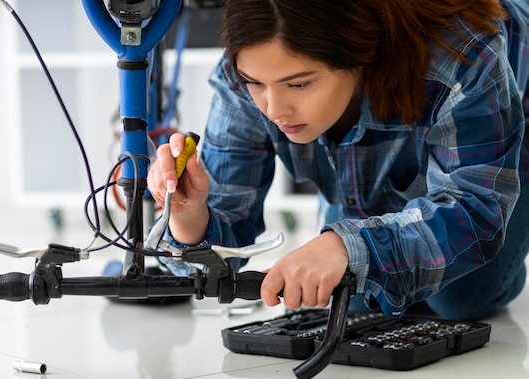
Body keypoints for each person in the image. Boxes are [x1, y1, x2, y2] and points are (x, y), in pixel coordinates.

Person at [147, 0, 529, 321]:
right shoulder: (246, 76)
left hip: (501, 127)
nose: (274, 110)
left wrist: (347, 247)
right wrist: (187, 215)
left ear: (358, 52)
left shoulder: (463, 53)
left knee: (459, 298)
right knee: (356, 294)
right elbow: (217, 243)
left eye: (299, 84)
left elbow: (475, 206)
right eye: (255, 83)